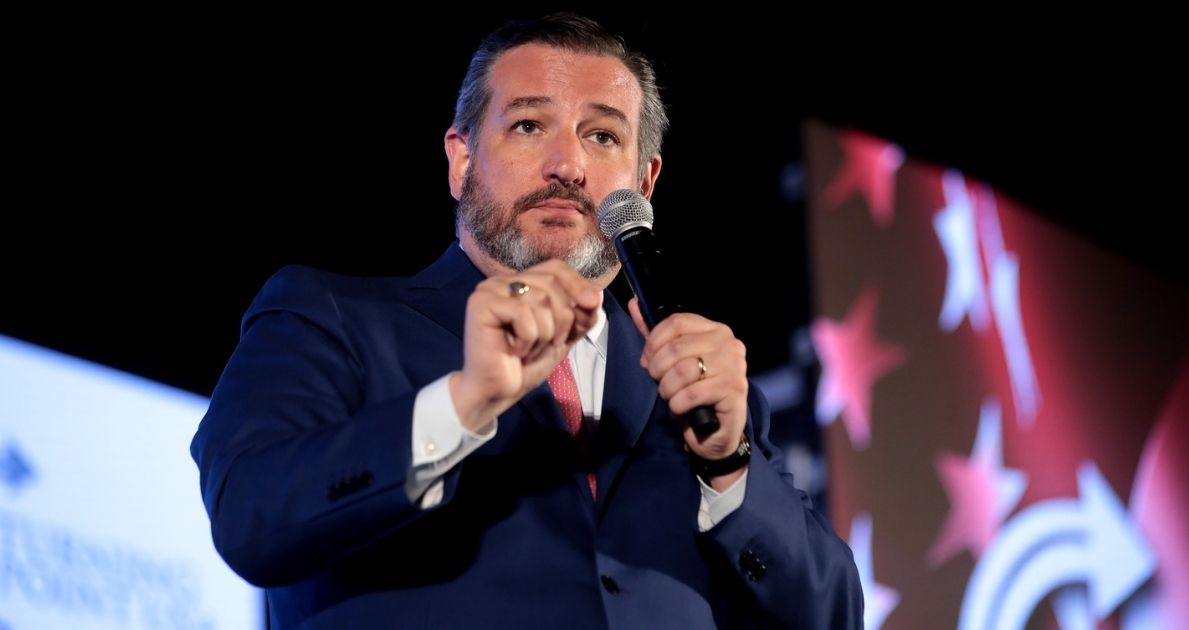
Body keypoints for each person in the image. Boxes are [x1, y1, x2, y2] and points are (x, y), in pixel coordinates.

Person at [191, 13, 863, 629]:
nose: (567, 165)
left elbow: (832, 616)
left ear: (645, 184)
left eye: (602, 135)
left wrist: (729, 466)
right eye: (529, 125)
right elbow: (251, 516)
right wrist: (463, 404)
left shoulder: (693, 386)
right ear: (460, 160)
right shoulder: (328, 318)